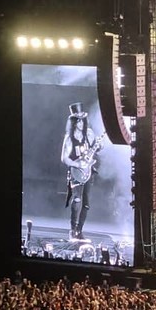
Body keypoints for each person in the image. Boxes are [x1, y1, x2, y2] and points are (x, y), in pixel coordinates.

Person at [61, 102, 105, 242]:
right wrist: (77, 164)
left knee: (86, 204)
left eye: (82, 120)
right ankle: (72, 230)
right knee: (77, 200)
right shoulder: (69, 138)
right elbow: (64, 158)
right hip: (76, 173)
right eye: (78, 120)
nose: (80, 123)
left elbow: (97, 149)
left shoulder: (89, 134)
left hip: (88, 172)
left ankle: (79, 231)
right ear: (73, 122)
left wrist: (99, 146)